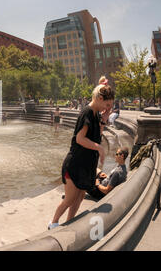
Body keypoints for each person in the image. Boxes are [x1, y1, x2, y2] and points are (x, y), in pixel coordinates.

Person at [48, 84, 114, 230]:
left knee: (79, 198)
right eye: (107, 104)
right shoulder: (87, 112)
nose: (108, 108)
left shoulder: (96, 114)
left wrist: (104, 118)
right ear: (100, 98)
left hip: (87, 164)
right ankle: (53, 222)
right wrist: (99, 148)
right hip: (75, 163)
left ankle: (69, 223)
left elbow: (97, 136)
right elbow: (80, 138)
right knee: (70, 199)